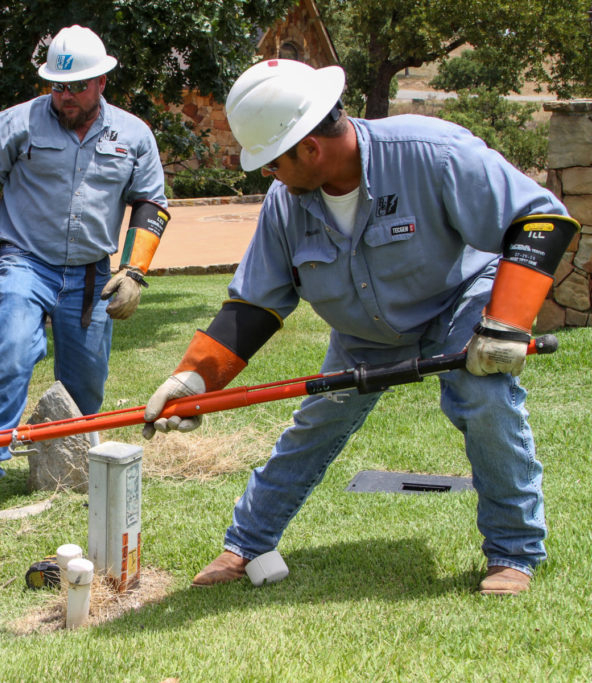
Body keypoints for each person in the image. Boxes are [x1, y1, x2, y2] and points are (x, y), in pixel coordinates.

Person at [143, 59, 577, 595]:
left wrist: (505, 325)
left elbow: (541, 218)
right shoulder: (287, 203)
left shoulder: (431, 153)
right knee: (316, 424)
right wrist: (194, 381)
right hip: (363, 333)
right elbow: (256, 305)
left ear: (310, 147)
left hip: (456, 304)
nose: (266, 174)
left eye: (272, 160)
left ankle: (513, 552)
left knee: (483, 399)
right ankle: (246, 544)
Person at [0, 25, 169, 519]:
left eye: (77, 86)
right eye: (57, 86)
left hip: (91, 274)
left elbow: (150, 204)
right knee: (9, 352)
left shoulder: (134, 135)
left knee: (84, 385)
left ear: (102, 82)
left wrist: (135, 271)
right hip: (25, 262)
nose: (65, 96)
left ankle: (72, 464)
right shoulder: (16, 123)